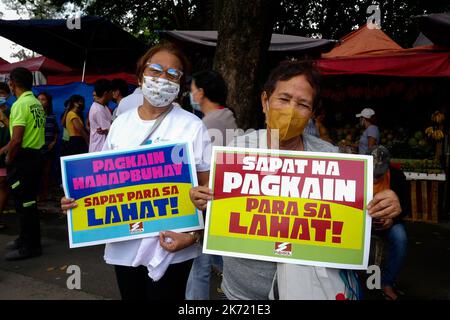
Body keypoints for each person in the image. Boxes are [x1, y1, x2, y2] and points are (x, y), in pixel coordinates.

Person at [189, 60, 403, 300]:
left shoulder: (330, 158)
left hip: (309, 292)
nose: (291, 110)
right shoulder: (238, 149)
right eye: (283, 99)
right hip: (241, 294)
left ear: (311, 113)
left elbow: (356, 218)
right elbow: (219, 208)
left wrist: (380, 212)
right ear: (264, 101)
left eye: (302, 104)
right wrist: (203, 200)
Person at [61, 42, 211, 300]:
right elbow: (102, 179)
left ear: (180, 84)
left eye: (173, 74)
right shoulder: (120, 124)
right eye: (155, 70)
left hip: (173, 247)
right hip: (124, 244)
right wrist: (78, 200)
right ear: (141, 75)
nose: (163, 79)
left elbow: (209, 195)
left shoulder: (193, 126)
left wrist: (194, 235)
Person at [186, 70, 237, 300]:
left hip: (208, 200)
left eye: (192, 89)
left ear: (201, 93)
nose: (190, 94)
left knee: (199, 264)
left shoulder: (207, 124)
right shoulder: (226, 115)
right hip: (222, 198)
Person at [1, 67, 45, 260]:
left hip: (23, 160)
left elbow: (17, 139)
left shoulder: (20, 105)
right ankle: (25, 239)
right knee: (28, 203)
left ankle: (30, 247)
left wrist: (9, 157)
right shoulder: (35, 102)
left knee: (24, 203)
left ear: (13, 83)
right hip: (35, 157)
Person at [369, 145, 408, 300]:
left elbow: (405, 207)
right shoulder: (356, 172)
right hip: (363, 222)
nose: (376, 177)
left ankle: (387, 282)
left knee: (401, 238)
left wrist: (392, 220)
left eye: (379, 173)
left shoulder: (397, 176)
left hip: (387, 223)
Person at [37, 92, 59, 201]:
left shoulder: (51, 116)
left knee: (46, 172)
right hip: (36, 149)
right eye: (39, 99)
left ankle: (44, 194)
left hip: (48, 148)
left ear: (48, 102)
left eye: (43, 99)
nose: (40, 102)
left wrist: (53, 142)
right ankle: (37, 194)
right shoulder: (34, 115)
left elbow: (56, 131)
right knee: (37, 173)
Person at [88, 79, 113, 152]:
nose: (112, 95)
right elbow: (111, 130)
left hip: (101, 148)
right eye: (111, 92)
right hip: (99, 149)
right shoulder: (98, 109)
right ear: (106, 93)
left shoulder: (103, 107)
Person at [0, 82, 11, 230]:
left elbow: (15, 133)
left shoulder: (11, 112)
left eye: (2, 93)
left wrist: (3, 117)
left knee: (3, 185)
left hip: (5, 155)